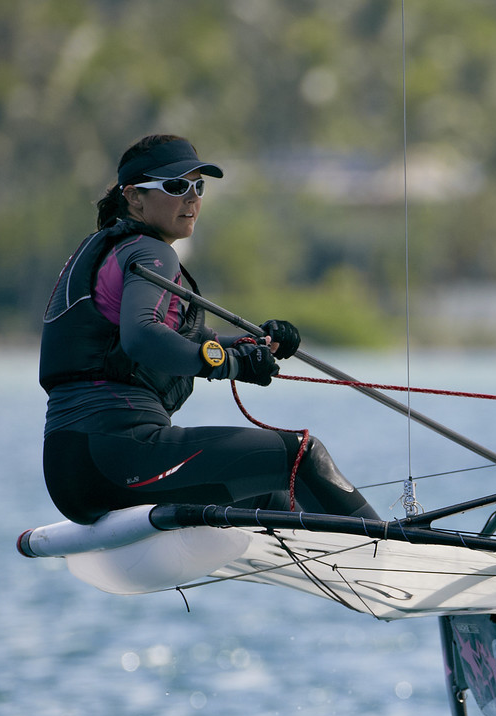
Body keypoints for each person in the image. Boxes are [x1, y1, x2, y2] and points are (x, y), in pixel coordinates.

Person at [39, 134, 378, 525]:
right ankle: (389, 547)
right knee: (301, 456)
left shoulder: (109, 251)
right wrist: (229, 365)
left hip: (71, 470)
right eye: (176, 186)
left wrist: (256, 343)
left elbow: (186, 341)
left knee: (270, 497)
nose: (192, 199)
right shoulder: (151, 251)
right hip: (119, 453)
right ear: (134, 197)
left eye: (198, 187)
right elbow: (142, 337)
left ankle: (343, 556)